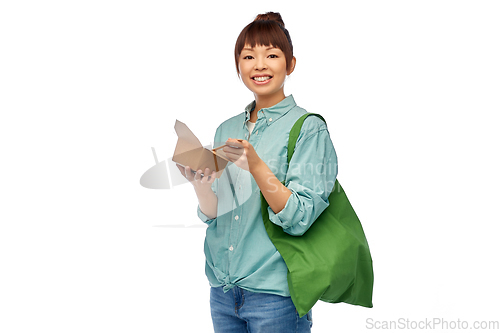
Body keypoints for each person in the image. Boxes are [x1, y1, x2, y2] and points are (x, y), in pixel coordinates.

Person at [176, 12, 337, 333]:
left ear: (290, 64)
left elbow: (300, 217)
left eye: (271, 55)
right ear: (238, 65)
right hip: (222, 291)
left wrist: (256, 165)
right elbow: (216, 213)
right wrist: (200, 184)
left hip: (276, 295)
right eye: (248, 56)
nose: (259, 65)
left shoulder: (308, 129)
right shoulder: (228, 128)